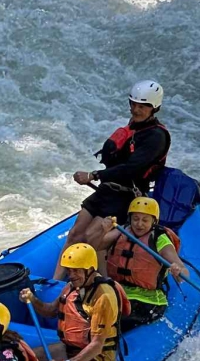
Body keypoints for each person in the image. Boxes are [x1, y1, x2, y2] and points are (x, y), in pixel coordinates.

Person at [61, 79, 170, 269]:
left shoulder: (156, 137)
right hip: (107, 189)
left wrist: (94, 175)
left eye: (142, 106)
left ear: (154, 108)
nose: (136, 110)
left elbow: (131, 168)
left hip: (127, 195)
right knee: (75, 234)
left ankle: (100, 284)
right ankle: (57, 284)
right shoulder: (135, 126)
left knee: (91, 238)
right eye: (133, 104)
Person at [19, 243, 130, 361]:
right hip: (72, 349)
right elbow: (51, 311)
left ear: (90, 269)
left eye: (76, 271)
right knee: (26, 360)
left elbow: (97, 345)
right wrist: (32, 300)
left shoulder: (104, 297)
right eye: (69, 271)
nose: (71, 275)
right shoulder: (72, 286)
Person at [97, 196, 187, 330]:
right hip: (118, 292)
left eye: (145, 220)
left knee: (108, 319)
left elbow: (183, 273)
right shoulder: (123, 230)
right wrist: (103, 231)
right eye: (135, 219)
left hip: (147, 300)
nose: (139, 224)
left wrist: (177, 271)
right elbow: (98, 247)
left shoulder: (160, 239)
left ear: (153, 221)